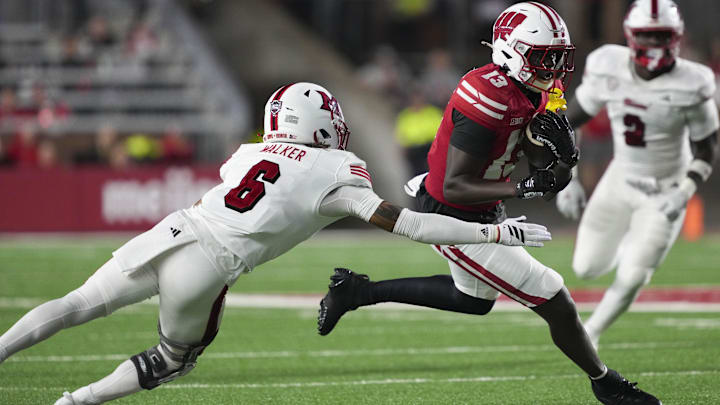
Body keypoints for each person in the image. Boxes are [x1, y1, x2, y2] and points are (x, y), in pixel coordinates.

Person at [0, 82, 551, 405]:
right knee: (172, 360)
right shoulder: (340, 170)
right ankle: (74, 402)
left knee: (75, 304)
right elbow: (410, 225)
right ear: (320, 124)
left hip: (172, 230)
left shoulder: (247, 153)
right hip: (209, 264)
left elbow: (264, 175)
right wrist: (494, 230)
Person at [316, 3, 662, 404]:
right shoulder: (486, 95)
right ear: (511, 51)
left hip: (483, 205)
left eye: (557, 58)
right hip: (451, 212)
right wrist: (523, 189)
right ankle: (606, 383)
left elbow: (549, 180)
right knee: (553, 295)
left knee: (473, 301)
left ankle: (355, 292)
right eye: (543, 56)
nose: (552, 68)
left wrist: (563, 160)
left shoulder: (542, 88)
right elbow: (457, 184)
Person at [555, 0, 718, 349]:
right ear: (631, 36)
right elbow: (571, 120)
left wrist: (685, 190)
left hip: (666, 190)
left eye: (662, 36)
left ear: (677, 37)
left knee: (632, 275)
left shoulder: (694, 82)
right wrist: (567, 177)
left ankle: (590, 333)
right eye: (648, 36)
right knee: (586, 267)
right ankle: (633, 240)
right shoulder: (608, 65)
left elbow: (707, 148)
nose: (655, 45)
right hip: (620, 177)